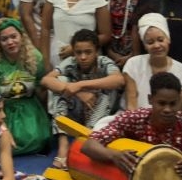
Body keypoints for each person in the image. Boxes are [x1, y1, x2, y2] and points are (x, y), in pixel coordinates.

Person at [41, 28, 125, 167]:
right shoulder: (71, 62)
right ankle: (63, 146)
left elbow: (119, 80)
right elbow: (46, 80)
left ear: (96, 51)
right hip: (76, 112)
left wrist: (80, 85)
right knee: (60, 81)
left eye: (88, 52)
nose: (83, 57)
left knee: (109, 88)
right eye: (78, 52)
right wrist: (77, 92)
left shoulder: (104, 62)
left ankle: (88, 140)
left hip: (98, 115)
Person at [0, 18, 51, 155]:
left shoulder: (34, 56)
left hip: (29, 107)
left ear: (21, 36)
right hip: (2, 110)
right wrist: (3, 129)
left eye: (14, 36)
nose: (10, 42)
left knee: (38, 139)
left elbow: (41, 85)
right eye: (4, 39)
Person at [40, 0, 106, 68]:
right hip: (57, 54)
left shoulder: (98, 2)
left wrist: (76, 48)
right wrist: (45, 61)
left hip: (86, 58)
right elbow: (45, 29)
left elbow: (105, 35)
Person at [122, 13, 182, 109]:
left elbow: (176, 108)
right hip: (135, 116)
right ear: (145, 46)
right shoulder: (133, 64)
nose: (156, 46)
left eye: (160, 40)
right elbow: (131, 104)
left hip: (169, 117)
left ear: (168, 40)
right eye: (150, 42)